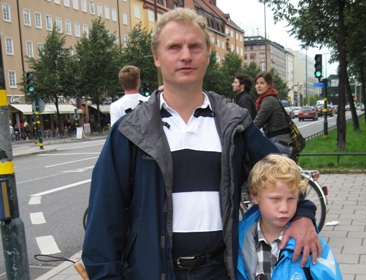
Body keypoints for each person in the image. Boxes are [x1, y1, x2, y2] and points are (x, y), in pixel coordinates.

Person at [82, 8, 320, 279]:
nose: (185, 55)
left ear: (208, 56)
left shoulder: (235, 124)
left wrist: (303, 214)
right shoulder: (129, 131)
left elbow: (283, 173)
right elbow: (103, 220)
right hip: (152, 271)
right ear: (157, 58)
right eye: (174, 47)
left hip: (218, 270)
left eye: (195, 46)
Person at [237, 155, 342, 280]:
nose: (284, 208)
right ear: (254, 196)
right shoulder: (239, 237)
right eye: (275, 199)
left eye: (291, 199)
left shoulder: (310, 242)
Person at [253, 71, 293, 158]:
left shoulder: (269, 100)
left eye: (262, 83)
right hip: (284, 143)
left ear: (269, 85)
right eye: (257, 83)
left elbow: (257, 124)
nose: (258, 86)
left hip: (278, 143)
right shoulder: (273, 97)